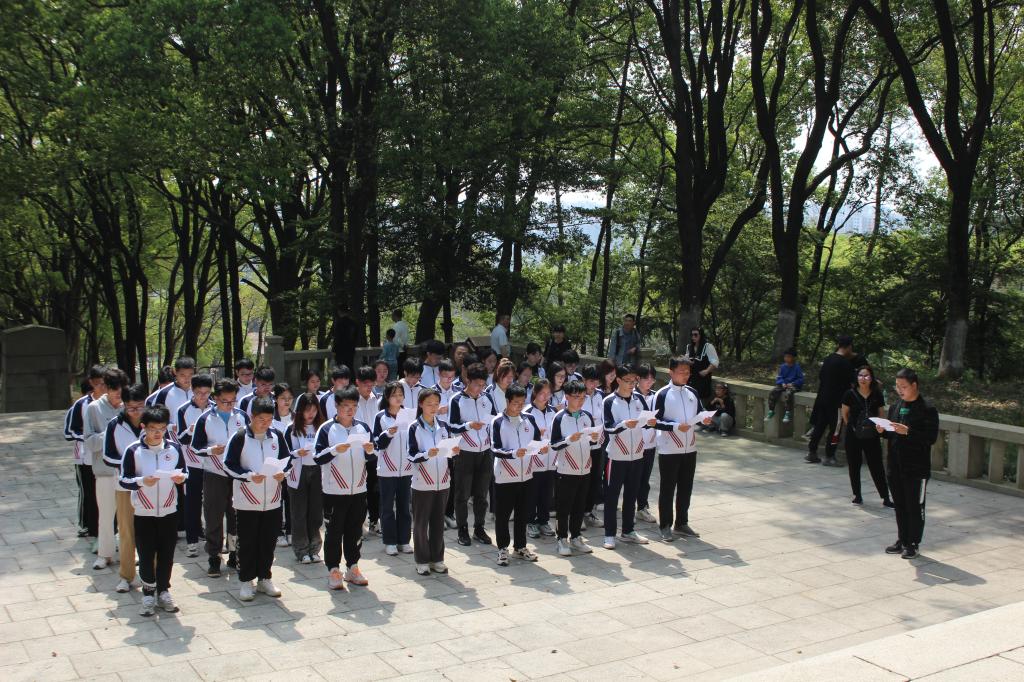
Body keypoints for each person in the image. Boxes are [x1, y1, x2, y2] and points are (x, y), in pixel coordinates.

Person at [119, 405, 187, 616]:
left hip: (169, 511)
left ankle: (163, 591)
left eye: (162, 429)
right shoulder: (133, 451)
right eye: (153, 429)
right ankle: (148, 593)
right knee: (146, 553)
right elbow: (123, 480)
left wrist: (181, 478)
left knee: (167, 553)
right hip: (144, 512)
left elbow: (185, 472)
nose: (158, 433)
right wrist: (142, 481)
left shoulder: (174, 449)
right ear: (143, 427)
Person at [223, 397, 290, 601]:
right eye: (261, 419)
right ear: (252, 417)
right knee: (248, 542)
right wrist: (248, 476)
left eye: (269, 420)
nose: (265, 424)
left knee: (268, 541)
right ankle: (246, 580)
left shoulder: (277, 435)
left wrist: (283, 473)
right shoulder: (240, 437)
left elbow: (287, 461)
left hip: (272, 499)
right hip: (247, 500)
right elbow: (228, 465)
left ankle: (264, 578)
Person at [314, 386, 375, 590]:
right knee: (334, 532)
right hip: (334, 491)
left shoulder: (363, 428)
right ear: (337, 406)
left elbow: (371, 456)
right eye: (346, 406)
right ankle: (333, 570)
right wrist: (334, 450)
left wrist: (369, 451)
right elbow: (317, 457)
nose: (350, 410)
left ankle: (353, 567)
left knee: (355, 530)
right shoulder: (326, 429)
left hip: (358, 489)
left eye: (354, 406)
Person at [191, 378, 250, 577]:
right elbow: (195, 447)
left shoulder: (242, 416)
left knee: (236, 514)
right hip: (214, 473)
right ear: (215, 398)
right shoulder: (205, 419)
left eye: (233, 400)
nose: (229, 405)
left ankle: (234, 552)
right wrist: (211, 450)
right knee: (213, 515)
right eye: (225, 401)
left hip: (236, 473)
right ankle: (214, 556)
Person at [879, 368, 939, 560]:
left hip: (916, 468)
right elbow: (892, 433)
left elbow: (930, 438)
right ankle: (902, 539)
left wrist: (909, 432)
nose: (900, 390)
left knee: (915, 506)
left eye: (903, 386)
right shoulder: (896, 406)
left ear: (914, 385)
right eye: (897, 386)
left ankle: (913, 543)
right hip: (895, 465)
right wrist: (883, 430)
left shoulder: (927, 409)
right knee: (900, 505)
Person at [653, 357, 711, 542]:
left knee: (686, 487)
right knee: (668, 488)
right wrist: (676, 426)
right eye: (682, 372)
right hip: (669, 449)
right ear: (671, 372)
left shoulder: (692, 392)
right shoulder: (662, 394)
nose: (686, 375)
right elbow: (654, 422)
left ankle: (682, 523)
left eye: (688, 372)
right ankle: (665, 525)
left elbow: (700, 412)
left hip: (690, 447)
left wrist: (705, 419)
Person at [408, 387, 460, 575]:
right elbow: (411, 455)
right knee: (421, 523)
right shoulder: (414, 427)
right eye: (429, 404)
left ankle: (437, 558)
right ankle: (421, 560)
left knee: (438, 522)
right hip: (422, 482)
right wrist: (426, 454)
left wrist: (454, 451)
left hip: (443, 482)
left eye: (436, 404)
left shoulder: (444, 426)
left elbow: (449, 451)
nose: (433, 407)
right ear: (421, 404)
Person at [601, 365, 653, 549]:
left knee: (631, 494)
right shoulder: (609, 401)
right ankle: (609, 534)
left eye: (634, 381)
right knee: (612, 496)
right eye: (628, 381)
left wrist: (650, 422)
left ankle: (628, 531)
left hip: (637, 454)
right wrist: (624, 424)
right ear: (618, 380)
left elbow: (646, 421)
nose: (632, 384)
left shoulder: (639, 398)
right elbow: (607, 427)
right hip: (616, 457)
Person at [102, 383, 147, 592]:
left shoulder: (153, 422)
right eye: (131, 408)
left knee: (150, 531)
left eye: (140, 407)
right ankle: (126, 575)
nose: (136, 412)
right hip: (124, 485)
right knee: (126, 531)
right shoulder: (115, 425)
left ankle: (151, 574)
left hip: (150, 485)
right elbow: (107, 455)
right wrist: (128, 462)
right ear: (124, 405)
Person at [491, 384, 543, 566]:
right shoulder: (498, 421)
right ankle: (502, 548)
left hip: (526, 474)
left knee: (523, 513)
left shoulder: (529, 419)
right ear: (507, 401)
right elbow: (495, 448)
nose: (519, 406)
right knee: (503, 514)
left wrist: (541, 448)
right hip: (505, 475)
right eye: (515, 403)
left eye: (522, 403)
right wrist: (513, 453)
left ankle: (520, 546)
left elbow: (537, 441)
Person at [85, 367, 129, 571]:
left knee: (129, 516)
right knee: (105, 515)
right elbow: (89, 442)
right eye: (114, 388)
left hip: (127, 470)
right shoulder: (93, 408)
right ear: (106, 388)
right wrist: (110, 433)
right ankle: (105, 554)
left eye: (121, 388)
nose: (118, 393)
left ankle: (130, 553)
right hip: (104, 470)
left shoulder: (129, 407)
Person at [448, 363, 497, 546]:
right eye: (476, 384)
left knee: (481, 494)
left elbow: (495, 420)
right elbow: (451, 426)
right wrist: (469, 425)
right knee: (462, 494)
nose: (479, 388)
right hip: (465, 452)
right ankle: (462, 529)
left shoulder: (487, 398)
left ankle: (479, 528)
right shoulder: (456, 399)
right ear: (468, 380)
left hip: (485, 451)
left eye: (483, 385)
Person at [550, 380, 599, 555]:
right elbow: (554, 445)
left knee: (579, 505)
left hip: (584, 469)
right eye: (576, 397)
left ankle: (576, 537)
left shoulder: (587, 416)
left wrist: (594, 438)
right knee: (564, 507)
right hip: (566, 471)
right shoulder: (559, 417)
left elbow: (592, 443)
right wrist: (569, 439)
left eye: (583, 397)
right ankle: (561, 539)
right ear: (567, 397)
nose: (580, 401)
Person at [372, 382, 414, 556]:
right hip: (387, 469)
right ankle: (389, 541)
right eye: (394, 395)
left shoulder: (410, 414)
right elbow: (376, 444)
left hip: (407, 468)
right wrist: (388, 433)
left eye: (400, 395)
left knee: (405, 507)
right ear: (387, 397)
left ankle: (404, 540)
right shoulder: (381, 417)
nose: (398, 398)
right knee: (387, 507)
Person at [176, 373, 215, 557]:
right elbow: (180, 438)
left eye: (206, 393)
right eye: (199, 393)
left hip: (212, 463)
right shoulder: (183, 410)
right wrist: (190, 431)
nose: (203, 397)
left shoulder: (215, 408)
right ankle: (192, 541)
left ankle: (213, 539)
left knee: (212, 503)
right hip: (191, 464)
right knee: (192, 503)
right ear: (192, 391)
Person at [843, 366, 893, 507]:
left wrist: (880, 428)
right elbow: (845, 413)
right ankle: (857, 495)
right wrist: (852, 428)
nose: (863, 379)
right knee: (854, 465)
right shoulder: (849, 394)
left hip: (872, 435)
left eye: (866, 376)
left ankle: (885, 497)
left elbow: (881, 413)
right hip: (853, 435)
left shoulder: (877, 394)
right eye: (860, 375)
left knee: (877, 466)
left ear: (871, 378)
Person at [65, 365, 105, 539]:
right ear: (91, 383)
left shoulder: (112, 404)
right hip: (84, 456)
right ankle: (86, 524)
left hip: (105, 455)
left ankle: (102, 525)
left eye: (106, 384)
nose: (102, 388)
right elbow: (69, 432)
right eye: (99, 384)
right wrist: (87, 438)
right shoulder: (81, 405)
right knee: (88, 491)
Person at [285, 392, 324, 564]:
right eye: (307, 410)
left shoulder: (321, 427)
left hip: (317, 471)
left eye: (314, 410)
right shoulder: (291, 428)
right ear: (300, 410)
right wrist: (296, 453)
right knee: (299, 512)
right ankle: (301, 550)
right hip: (298, 473)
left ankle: (314, 548)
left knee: (315, 512)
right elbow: (284, 453)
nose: (311, 414)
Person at [807, 335, 855, 466]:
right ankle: (830, 455)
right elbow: (853, 382)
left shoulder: (828, 359)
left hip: (822, 399)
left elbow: (821, 377)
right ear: (849, 347)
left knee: (820, 426)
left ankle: (812, 452)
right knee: (836, 429)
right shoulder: (845, 364)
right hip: (837, 403)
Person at [524, 379, 557, 539]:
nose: (545, 397)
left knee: (547, 492)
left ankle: (543, 520)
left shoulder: (553, 412)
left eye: (548, 393)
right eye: (542, 393)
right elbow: (523, 436)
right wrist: (537, 435)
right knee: (532, 492)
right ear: (535, 393)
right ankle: (530, 521)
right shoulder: (527, 412)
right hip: (534, 460)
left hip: (551, 459)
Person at [354, 366, 381, 537]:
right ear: (357, 382)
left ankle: (374, 521)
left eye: (372, 384)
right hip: (357, 450)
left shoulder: (376, 398)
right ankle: (359, 523)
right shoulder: (352, 400)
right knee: (359, 488)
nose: (369, 387)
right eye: (365, 384)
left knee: (374, 487)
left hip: (374, 449)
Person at [581, 364, 606, 528]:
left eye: (596, 381)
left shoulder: (600, 395)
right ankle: (576, 514)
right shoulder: (576, 394)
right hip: (581, 446)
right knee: (581, 481)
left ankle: (588, 512)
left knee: (595, 479)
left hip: (598, 444)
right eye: (591, 381)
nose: (594, 385)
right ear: (583, 380)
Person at [634, 364, 659, 523]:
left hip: (650, 443)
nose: (649, 381)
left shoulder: (656, 396)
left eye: (652, 378)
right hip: (633, 444)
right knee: (632, 478)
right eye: (646, 378)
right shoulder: (631, 396)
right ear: (638, 378)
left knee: (645, 478)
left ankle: (642, 507)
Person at [272, 383, 294, 547]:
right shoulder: (270, 419)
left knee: (291, 498)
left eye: (289, 398)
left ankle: (291, 530)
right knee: (277, 498)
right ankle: (277, 531)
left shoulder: (297, 418)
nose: (286, 402)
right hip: (276, 465)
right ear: (275, 399)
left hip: (294, 464)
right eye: (282, 398)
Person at [766, 348, 804, 423]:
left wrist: (793, 383)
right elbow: (779, 377)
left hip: (793, 385)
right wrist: (782, 383)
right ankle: (771, 410)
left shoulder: (797, 367)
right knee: (773, 392)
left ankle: (787, 412)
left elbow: (801, 379)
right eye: (785, 357)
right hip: (783, 384)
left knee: (788, 393)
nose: (786, 358)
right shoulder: (783, 366)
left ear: (793, 358)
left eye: (788, 357)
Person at [685, 328, 719, 404]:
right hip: (691, 380)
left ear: (701, 335)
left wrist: (707, 371)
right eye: (692, 335)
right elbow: (689, 360)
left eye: (695, 335)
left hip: (702, 381)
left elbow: (715, 361)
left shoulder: (708, 346)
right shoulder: (689, 347)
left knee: (700, 402)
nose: (693, 337)